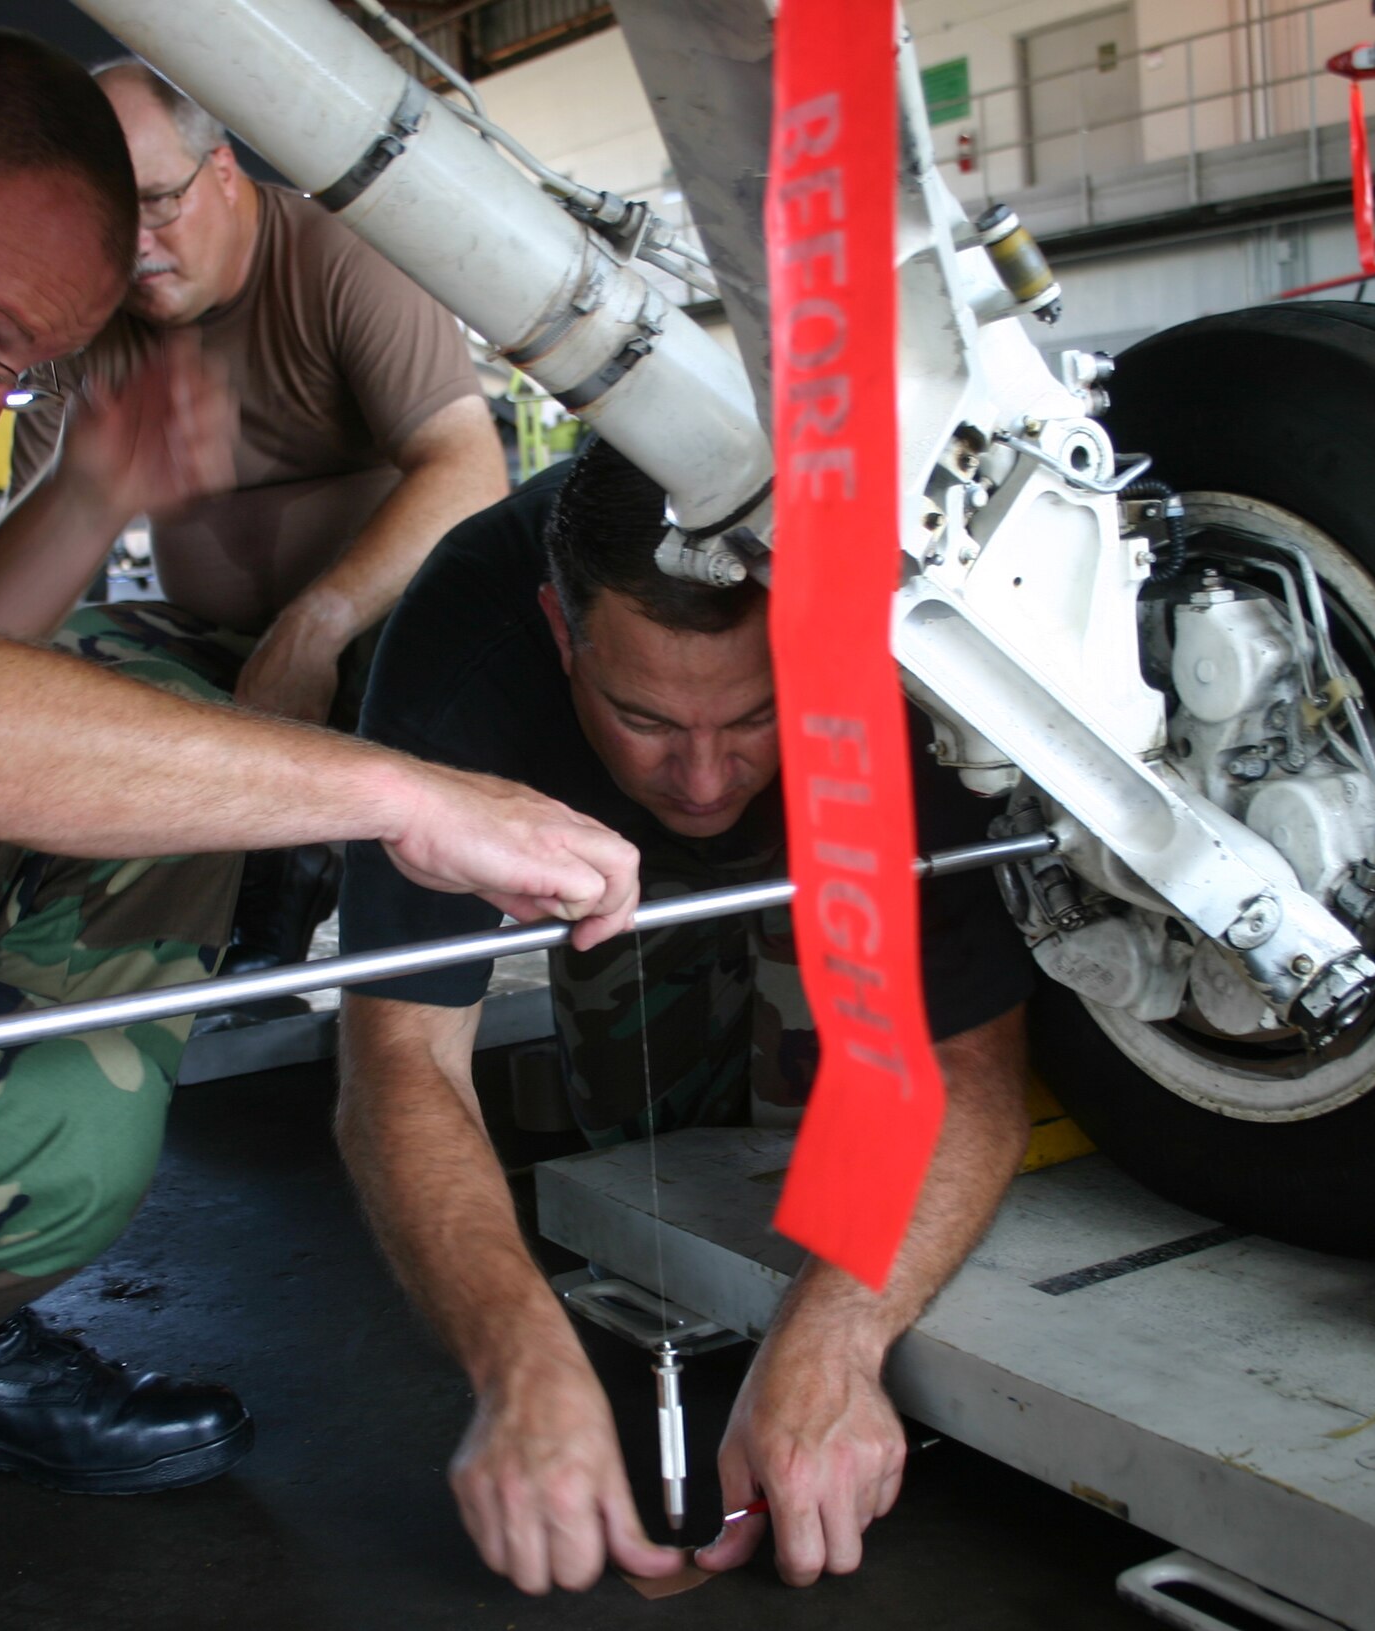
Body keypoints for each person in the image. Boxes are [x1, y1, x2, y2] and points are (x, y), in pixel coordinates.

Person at [0, 30, 637, 1536]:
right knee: (67, 1122)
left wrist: (107, 491)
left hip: (310, 661)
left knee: (122, 777)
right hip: (193, 684)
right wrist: (397, 793)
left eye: (16, 366)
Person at [337, 442, 1036, 1594]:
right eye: (646, 715)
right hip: (579, 843)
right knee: (649, 1146)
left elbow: (971, 1054)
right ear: (562, 635)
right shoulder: (459, 654)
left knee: (816, 1134)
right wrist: (520, 1357)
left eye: (751, 714)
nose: (705, 778)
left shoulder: (905, 645)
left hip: (834, 811)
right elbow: (400, 1056)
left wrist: (832, 1338)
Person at [11, 59, 510, 971]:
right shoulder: (78, 311)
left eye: (157, 201)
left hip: (364, 635)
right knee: (37, 663)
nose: (133, 248)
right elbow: (19, 561)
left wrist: (314, 625)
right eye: (103, 222)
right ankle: (68, 934)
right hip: (201, 639)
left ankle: (357, 937)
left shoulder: (338, 253)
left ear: (225, 167)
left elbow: (470, 470)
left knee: (430, 658)